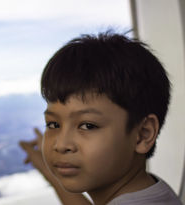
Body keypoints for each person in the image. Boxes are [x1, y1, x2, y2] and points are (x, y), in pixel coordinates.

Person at [19, 31, 183, 205]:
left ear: (143, 134)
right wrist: (46, 169)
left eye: (88, 126)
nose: (61, 145)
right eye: (53, 124)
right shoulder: (150, 190)